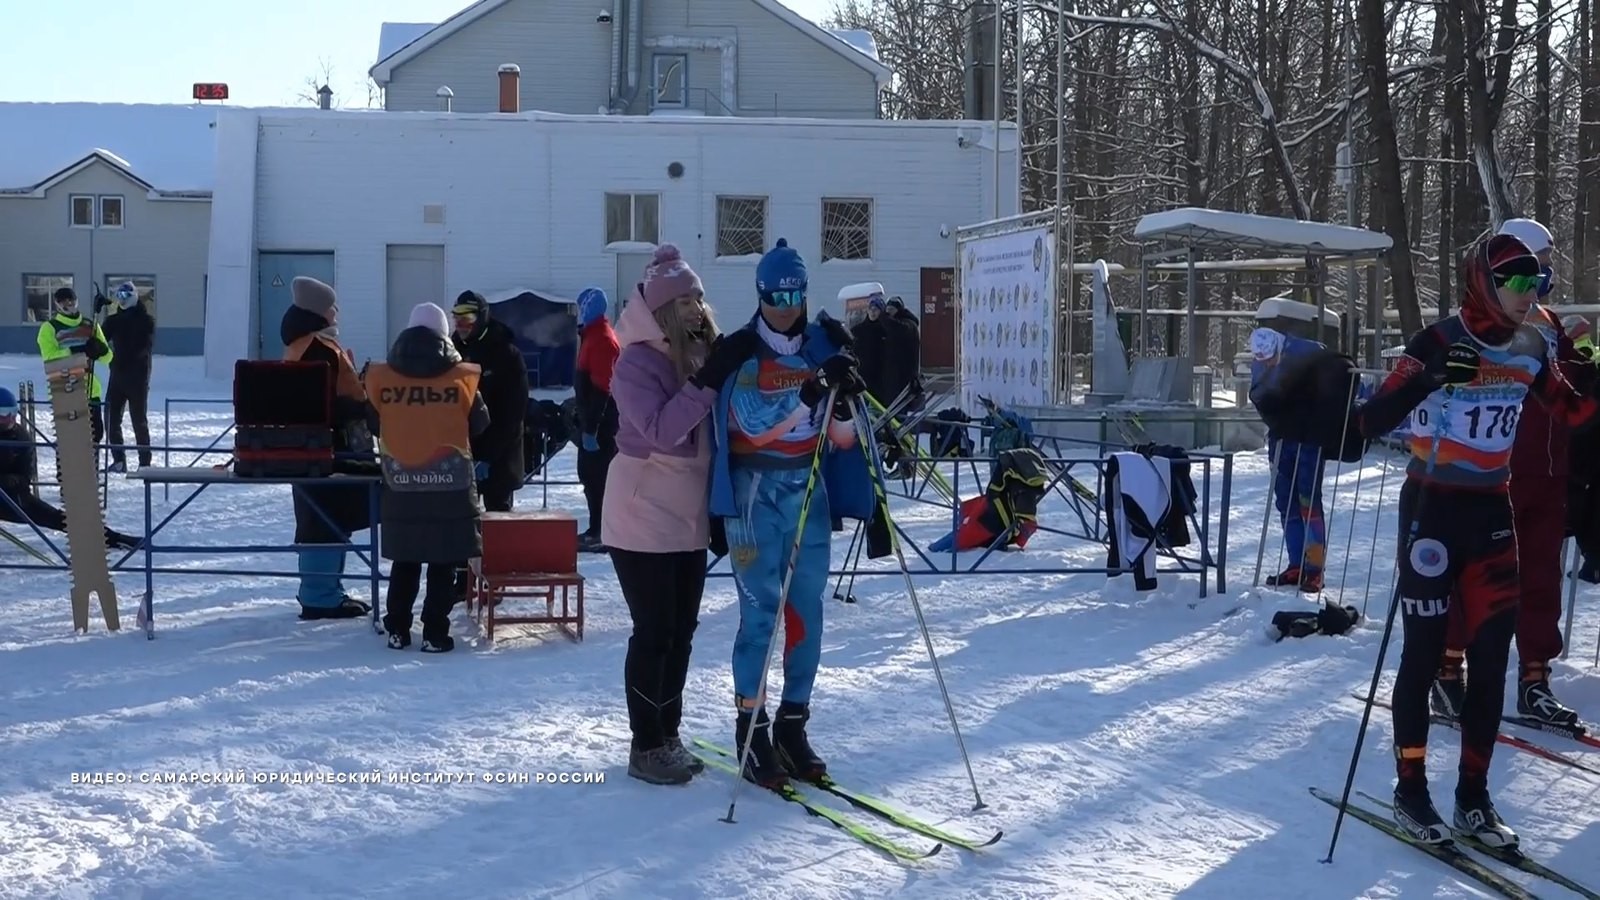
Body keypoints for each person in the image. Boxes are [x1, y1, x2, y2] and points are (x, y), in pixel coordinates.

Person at [1324, 233, 1600, 849]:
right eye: (1517, 282)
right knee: (1423, 657)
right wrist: (1425, 383)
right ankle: (1410, 790)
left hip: (1491, 515)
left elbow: (1573, 412)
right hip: (1431, 512)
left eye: (1536, 284)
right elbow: (1366, 422)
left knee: (1490, 661)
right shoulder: (1439, 341)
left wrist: (1592, 366)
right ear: (1484, 280)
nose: (1529, 295)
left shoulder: (1532, 345)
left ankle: (1473, 796)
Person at [708, 238, 874, 787]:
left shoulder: (818, 348)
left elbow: (843, 441)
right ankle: (750, 730)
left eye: (795, 292)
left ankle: (792, 724)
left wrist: (843, 400)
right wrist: (809, 395)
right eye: (775, 293)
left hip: (807, 490)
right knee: (761, 614)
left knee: (808, 613)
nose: (786, 302)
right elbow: (754, 424)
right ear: (759, 294)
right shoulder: (744, 351)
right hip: (754, 493)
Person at [603, 245, 759, 784]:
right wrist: (707, 379)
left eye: (699, 296)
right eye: (685, 299)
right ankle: (645, 743)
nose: (696, 307)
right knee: (655, 630)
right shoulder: (634, 362)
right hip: (641, 507)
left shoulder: (699, 350)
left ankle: (668, 732)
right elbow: (664, 430)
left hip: (690, 510)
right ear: (663, 307)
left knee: (683, 630)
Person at [1431, 217, 1595, 730]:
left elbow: (1568, 387)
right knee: (1475, 577)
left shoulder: (1545, 320)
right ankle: (1447, 672)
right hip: (1492, 472)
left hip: (1548, 471)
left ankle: (1533, 681)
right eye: (1531, 272)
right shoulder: (1481, 324)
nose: (1539, 283)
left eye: (1544, 272)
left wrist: (1581, 357)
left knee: (1541, 577)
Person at [364, 303, 489, 654]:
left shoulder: (382, 377)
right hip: (450, 483)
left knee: (406, 559)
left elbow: (372, 422)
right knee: (442, 560)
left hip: (400, 482)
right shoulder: (461, 377)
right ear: (444, 335)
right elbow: (480, 423)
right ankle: (435, 632)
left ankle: (398, 630)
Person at [281, 276, 376, 620]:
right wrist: (361, 404)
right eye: (333, 306)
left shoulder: (304, 343)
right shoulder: (315, 350)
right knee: (326, 516)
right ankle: (320, 595)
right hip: (326, 447)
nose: (337, 311)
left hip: (315, 445)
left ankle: (326, 590)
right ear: (320, 310)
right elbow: (321, 403)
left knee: (326, 517)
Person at [0, 387, 139, 551]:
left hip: (10, 499)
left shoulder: (21, 438)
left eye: (13, 412)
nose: (10, 417)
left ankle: (115, 539)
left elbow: (24, 480)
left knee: (59, 519)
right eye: (4, 412)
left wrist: (7, 481)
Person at [1247, 327, 1329, 593]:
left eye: (1271, 358)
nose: (1268, 363)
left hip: (1309, 437)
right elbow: (1258, 393)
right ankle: (1297, 563)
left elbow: (1338, 378)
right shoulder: (1259, 361)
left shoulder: (1310, 351)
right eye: (1263, 360)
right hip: (1281, 436)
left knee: (1308, 499)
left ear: (1279, 345)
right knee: (1286, 499)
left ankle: (1315, 569)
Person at [451, 291, 528, 512]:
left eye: (468, 318)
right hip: (460, 457)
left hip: (500, 458)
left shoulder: (507, 355)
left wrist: (488, 456)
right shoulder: (450, 354)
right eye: (457, 318)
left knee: (499, 528)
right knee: (461, 529)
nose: (461, 324)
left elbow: (514, 414)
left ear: (482, 317)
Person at [37, 287, 111, 468]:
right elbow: (49, 357)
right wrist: (75, 351)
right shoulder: (49, 328)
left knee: (94, 436)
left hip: (90, 389)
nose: (67, 304)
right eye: (62, 301)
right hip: (64, 388)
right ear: (57, 304)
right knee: (69, 440)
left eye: (70, 300)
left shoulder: (89, 325)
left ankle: (90, 476)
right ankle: (69, 483)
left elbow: (107, 357)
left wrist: (99, 349)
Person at [573, 287, 621, 552]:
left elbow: (603, 388)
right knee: (590, 478)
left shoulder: (601, 339)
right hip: (591, 420)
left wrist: (591, 428)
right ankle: (596, 527)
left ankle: (603, 531)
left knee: (599, 478)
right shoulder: (591, 336)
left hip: (601, 425)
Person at [95, 282, 155, 472]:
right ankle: (119, 459)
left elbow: (142, 346)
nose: (122, 299)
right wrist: (96, 312)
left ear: (135, 296)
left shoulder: (146, 320)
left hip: (137, 377)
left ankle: (144, 461)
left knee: (139, 419)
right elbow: (98, 340)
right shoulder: (113, 320)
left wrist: (120, 358)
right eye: (118, 295)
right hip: (118, 376)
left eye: (126, 295)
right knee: (111, 418)